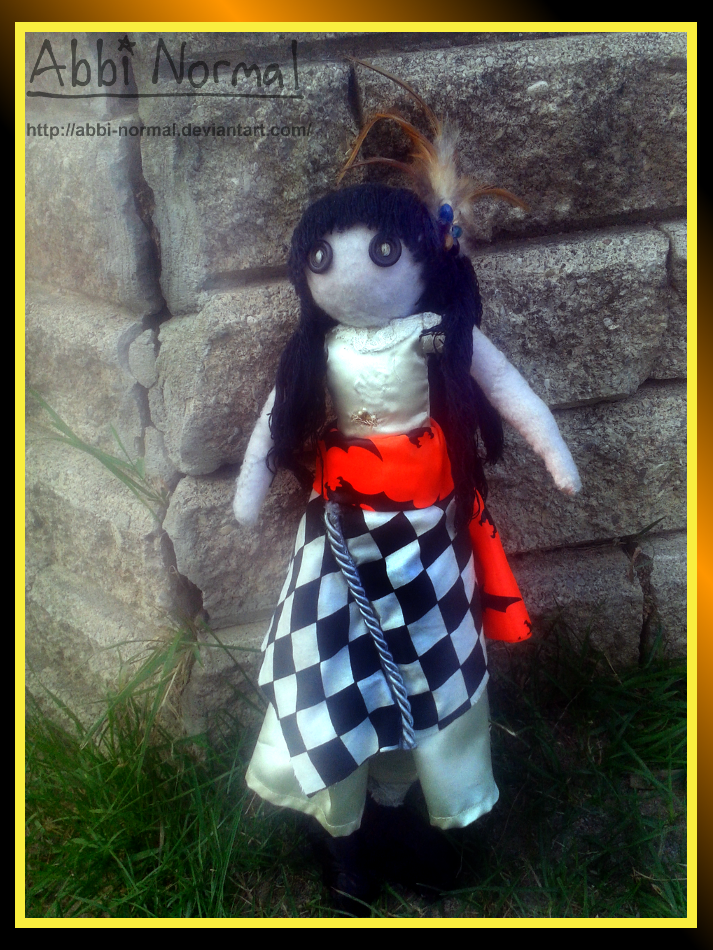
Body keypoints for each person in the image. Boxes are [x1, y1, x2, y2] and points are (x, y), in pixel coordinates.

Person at [233, 182, 580, 912]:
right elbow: (274, 419)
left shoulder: (438, 335)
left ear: (426, 254)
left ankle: (396, 813)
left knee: (429, 677)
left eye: (383, 251)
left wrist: (553, 450)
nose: (351, 274)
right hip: (336, 550)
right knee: (330, 679)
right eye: (323, 258)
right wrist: (250, 488)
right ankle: (342, 838)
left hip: (428, 547)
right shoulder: (315, 352)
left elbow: (505, 387)